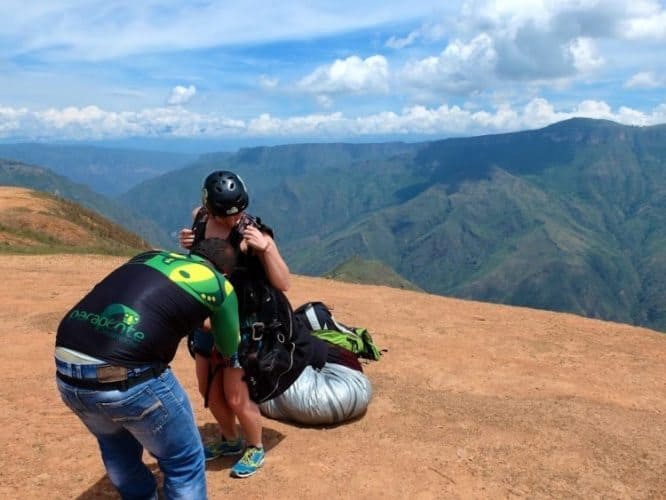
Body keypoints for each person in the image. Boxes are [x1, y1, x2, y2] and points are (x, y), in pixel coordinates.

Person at [54, 238, 239, 499]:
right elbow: (229, 345)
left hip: (68, 371)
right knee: (183, 461)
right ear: (224, 273)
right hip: (132, 377)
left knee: (115, 445)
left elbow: (148, 305)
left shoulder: (147, 257)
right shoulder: (220, 285)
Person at [178, 170, 290, 478]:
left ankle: (255, 447)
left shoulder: (251, 233)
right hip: (203, 322)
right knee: (209, 391)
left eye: (239, 210)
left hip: (240, 325)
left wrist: (266, 249)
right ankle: (229, 440)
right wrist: (189, 241)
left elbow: (283, 281)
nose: (234, 218)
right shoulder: (199, 219)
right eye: (227, 212)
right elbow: (203, 264)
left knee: (237, 396)